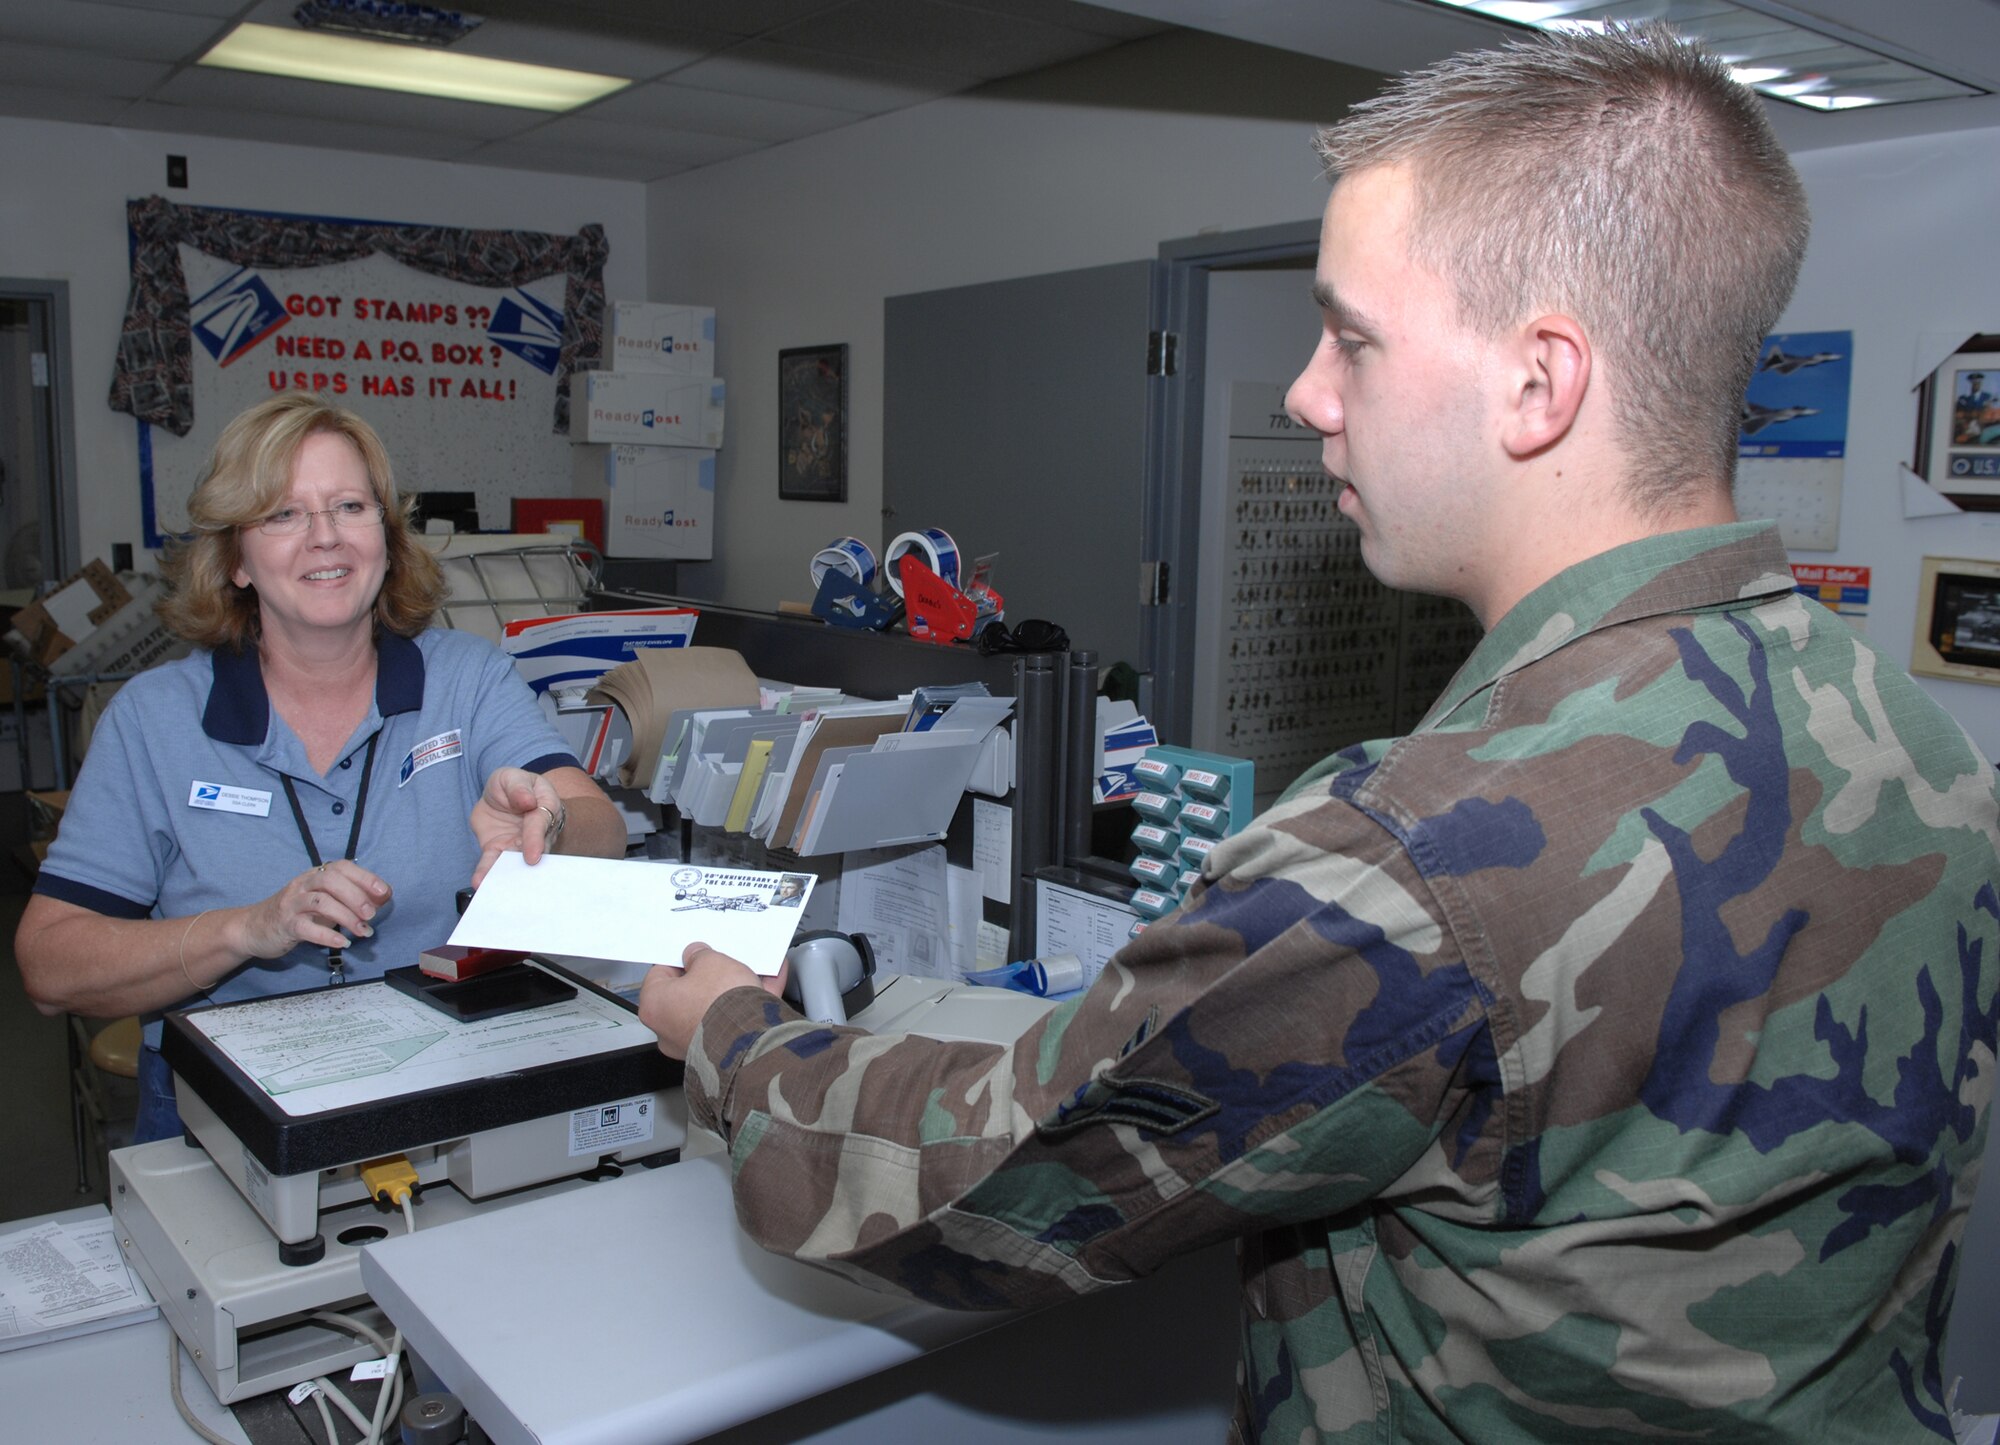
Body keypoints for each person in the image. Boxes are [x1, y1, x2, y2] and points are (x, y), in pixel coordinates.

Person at [639, 27, 2000, 1443]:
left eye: (1353, 335)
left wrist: (736, 1034)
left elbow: (1000, 1184)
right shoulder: (1929, 748)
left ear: (1541, 384)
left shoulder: (1419, 855)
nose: (1304, 393)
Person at [17, 393, 625, 1142]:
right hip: (221, 1110)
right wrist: (246, 929)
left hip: (448, 1081)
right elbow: (49, 966)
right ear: (235, 560)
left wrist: (551, 820)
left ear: (387, 537)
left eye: (348, 505)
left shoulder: (466, 680)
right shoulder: (153, 720)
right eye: (282, 514)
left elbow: (603, 826)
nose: (325, 538)